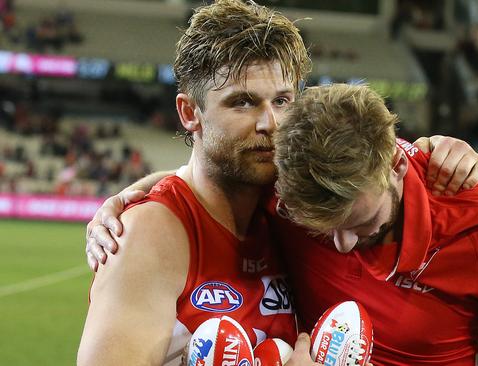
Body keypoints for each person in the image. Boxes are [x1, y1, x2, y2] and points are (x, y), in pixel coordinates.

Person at [77, 1, 311, 364]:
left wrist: (431, 150)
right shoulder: (150, 235)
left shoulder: (290, 209)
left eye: (282, 100)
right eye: (243, 103)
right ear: (190, 113)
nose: (270, 124)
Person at [269, 84, 478, 365]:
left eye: (363, 222)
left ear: (397, 166)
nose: (341, 244)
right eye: (319, 227)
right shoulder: (277, 192)